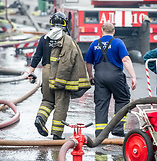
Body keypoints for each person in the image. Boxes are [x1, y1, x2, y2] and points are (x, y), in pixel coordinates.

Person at [28, 12, 91, 140]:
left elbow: (37, 56)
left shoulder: (44, 38)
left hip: (45, 72)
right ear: (64, 24)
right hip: (59, 73)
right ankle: (57, 134)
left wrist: (31, 71)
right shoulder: (66, 40)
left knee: (47, 100)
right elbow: (69, 61)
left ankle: (40, 118)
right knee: (61, 103)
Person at [85, 22, 137, 137]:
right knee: (123, 99)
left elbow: (88, 62)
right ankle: (117, 129)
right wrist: (133, 76)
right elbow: (126, 60)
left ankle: (100, 133)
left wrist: (90, 76)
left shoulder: (94, 44)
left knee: (101, 103)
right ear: (113, 32)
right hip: (115, 76)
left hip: (99, 76)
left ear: (101, 31)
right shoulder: (118, 43)